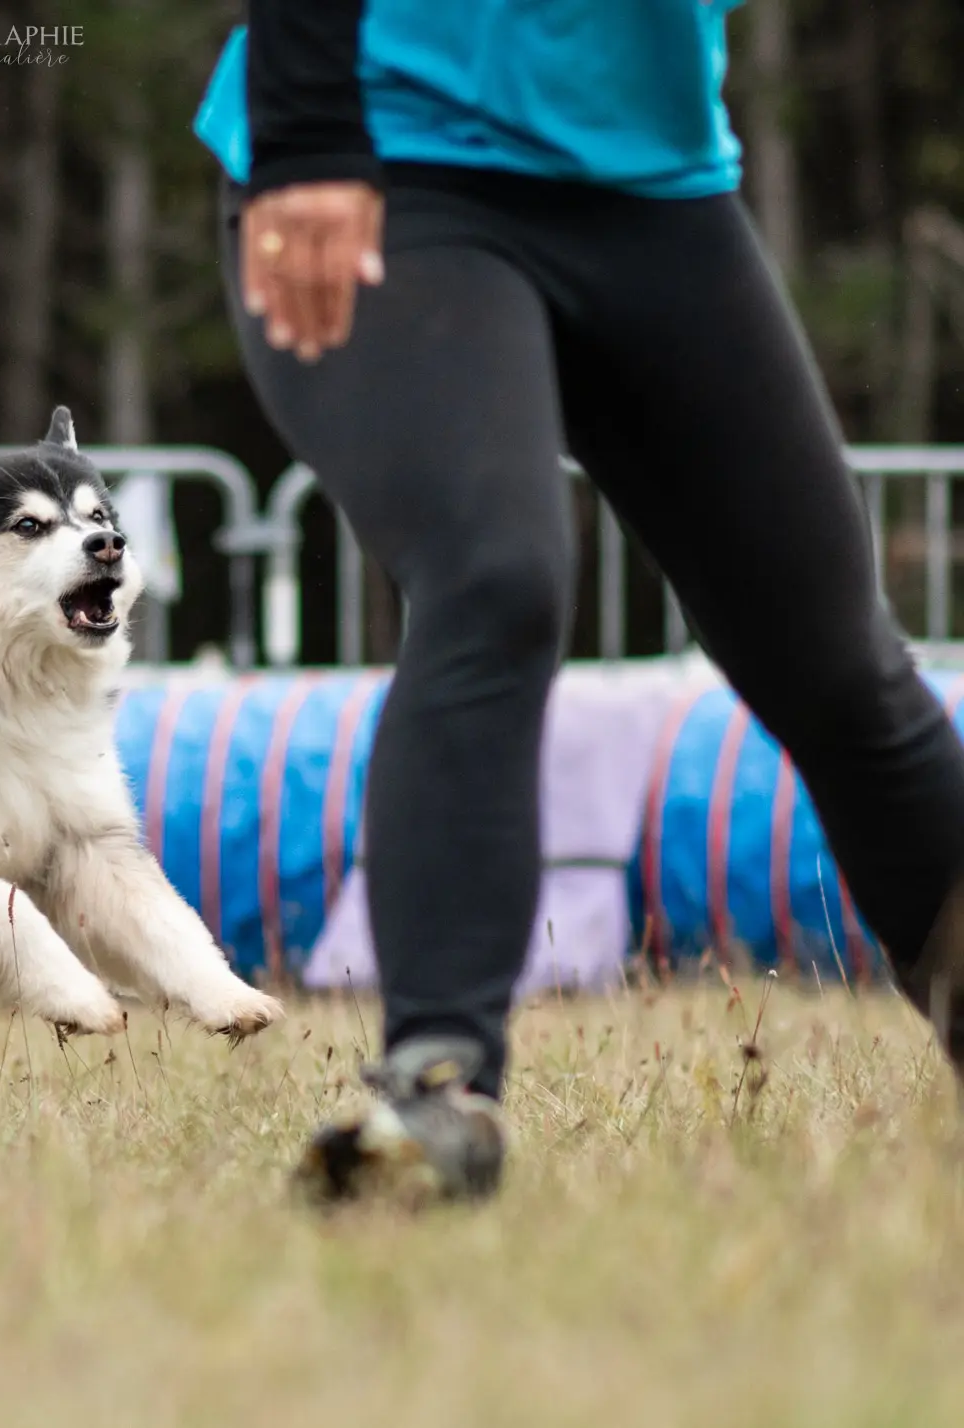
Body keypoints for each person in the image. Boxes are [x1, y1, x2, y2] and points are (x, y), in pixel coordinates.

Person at [200, 0, 964, 1204]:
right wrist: (302, 133)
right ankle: (434, 1091)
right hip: (392, 150)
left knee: (836, 663)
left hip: (656, 184)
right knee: (494, 578)